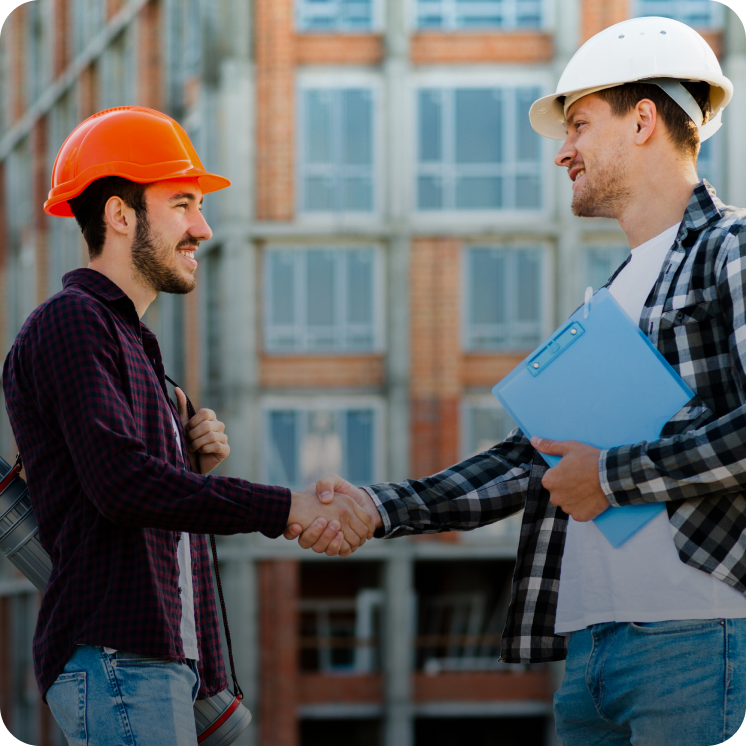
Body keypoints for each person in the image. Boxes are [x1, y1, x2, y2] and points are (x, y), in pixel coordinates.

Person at [287, 16, 746, 745]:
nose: (562, 151)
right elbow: (534, 460)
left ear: (644, 120)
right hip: (593, 656)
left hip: (699, 639)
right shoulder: (609, 300)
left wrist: (615, 477)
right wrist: (378, 507)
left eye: (580, 125)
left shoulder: (733, 252)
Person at [2, 106, 374, 746]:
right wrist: (284, 504)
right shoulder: (73, 323)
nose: (202, 227)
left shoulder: (133, 345)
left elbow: (120, 491)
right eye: (182, 203)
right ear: (120, 215)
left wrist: (185, 467)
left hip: (156, 664)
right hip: (120, 656)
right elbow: (120, 485)